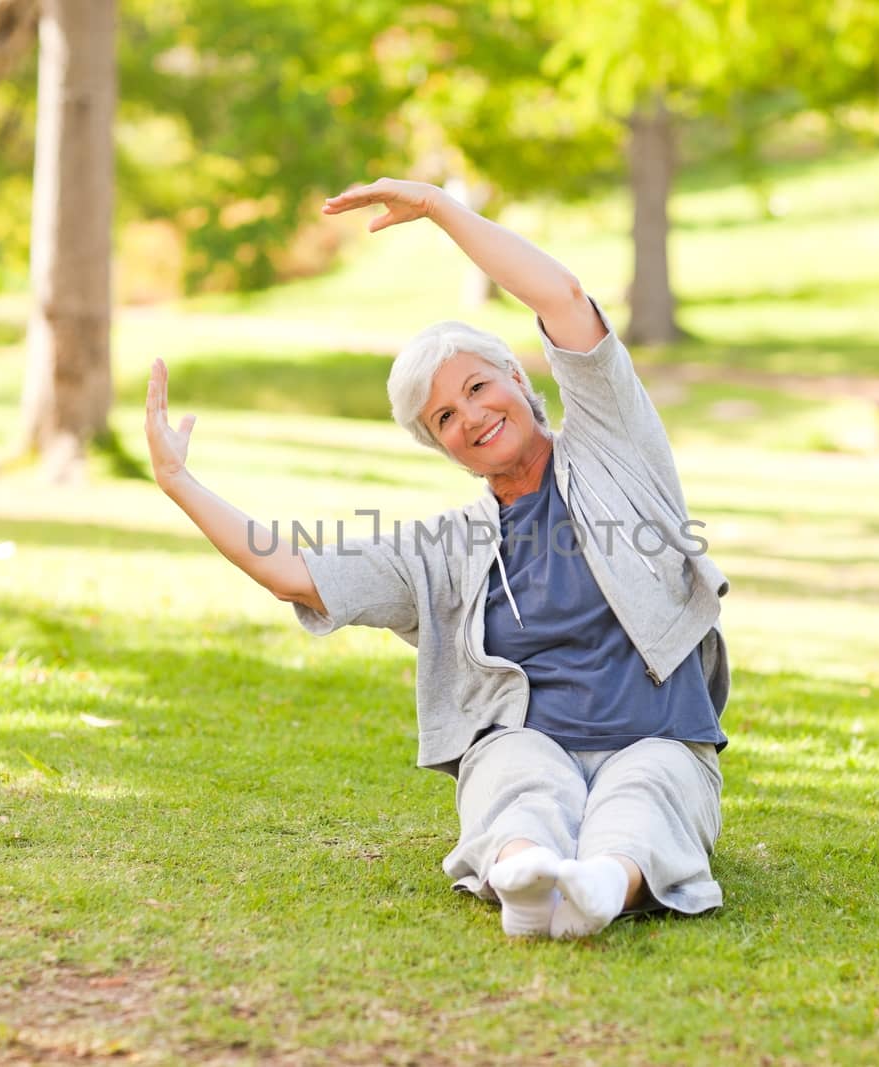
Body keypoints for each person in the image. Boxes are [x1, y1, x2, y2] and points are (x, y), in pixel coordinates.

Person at [145, 178, 731, 939]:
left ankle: (599, 886)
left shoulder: (614, 448)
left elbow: (562, 294)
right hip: (532, 744)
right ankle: (524, 874)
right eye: (445, 417)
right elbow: (292, 568)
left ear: (521, 380)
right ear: (441, 447)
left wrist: (441, 211)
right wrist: (177, 481)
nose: (473, 417)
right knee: (517, 776)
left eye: (479, 387)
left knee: (647, 791)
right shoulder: (443, 550)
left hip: (655, 735)